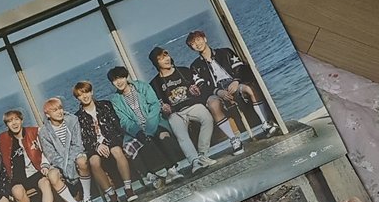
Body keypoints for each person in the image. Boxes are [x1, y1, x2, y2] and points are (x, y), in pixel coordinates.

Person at [186, 30, 279, 140]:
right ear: (191, 48)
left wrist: (236, 81)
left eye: (198, 40)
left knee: (249, 89)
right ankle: (234, 140)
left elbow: (240, 68)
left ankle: (265, 123)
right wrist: (218, 92)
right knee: (213, 105)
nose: (197, 44)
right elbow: (202, 85)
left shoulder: (225, 52)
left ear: (205, 39)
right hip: (216, 90)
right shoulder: (195, 66)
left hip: (233, 83)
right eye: (193, 43)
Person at [107, 66, 183, 189]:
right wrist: (137, 132)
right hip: (135, 130)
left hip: (154, 122)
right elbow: (124, 121)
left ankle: (171, 169)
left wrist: (149, 128)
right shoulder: (116, 100)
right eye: (115, 80)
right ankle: (151, 176)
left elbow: (155, 105)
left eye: (120, 78)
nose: (119, 82)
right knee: (129, 147)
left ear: (126, 77)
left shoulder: (142, 87)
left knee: (161, 135)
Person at [0, 110, 64, 202]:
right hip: (17, 176)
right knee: (17, 192)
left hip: (36, 170)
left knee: (45, 182)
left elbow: (45, 149)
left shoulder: (34, 132)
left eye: (16, 119)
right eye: (10, 121)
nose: (14, 123)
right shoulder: (3, 139)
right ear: (7, 125)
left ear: (21, 120)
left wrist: (45, 165)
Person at [148, 46, 217, 174]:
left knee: (207, 118)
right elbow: (159, 104)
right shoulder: (155, 83)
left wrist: (196, 91)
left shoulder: (184, 71)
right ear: (156, 63)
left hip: (192, 106)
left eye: (167, 56)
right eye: (161, 58)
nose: (166, 59)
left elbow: (197, 88)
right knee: (180, 133)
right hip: (175, 113)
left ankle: (202, 154)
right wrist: (164, 108)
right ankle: (195, 162)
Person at [73, 81, 138, 202]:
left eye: (86, 92)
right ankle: (111, 194)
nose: (85, 96)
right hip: (93, 146)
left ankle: (128, 188)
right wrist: (97, 145)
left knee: (117, 151)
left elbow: (116, 127)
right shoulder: (78, 117)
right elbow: (83, 139)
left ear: (91, 92)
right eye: (80, 95)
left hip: (111, 140)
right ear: (77, 98)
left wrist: (107, 143)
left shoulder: (105, 105)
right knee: (94, 162)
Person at [39, 97, 101, 202]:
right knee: (52, 175)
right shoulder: (44, 132)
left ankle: (87, 198)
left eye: (60, 108)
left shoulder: (72, 120)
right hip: (59, 162)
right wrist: (64, 165)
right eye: (55, 110)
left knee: (82, 161)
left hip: (75, 155)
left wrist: (69, 163)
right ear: (48, 115)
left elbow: (78, 145)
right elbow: (50, 154)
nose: (59, 112)